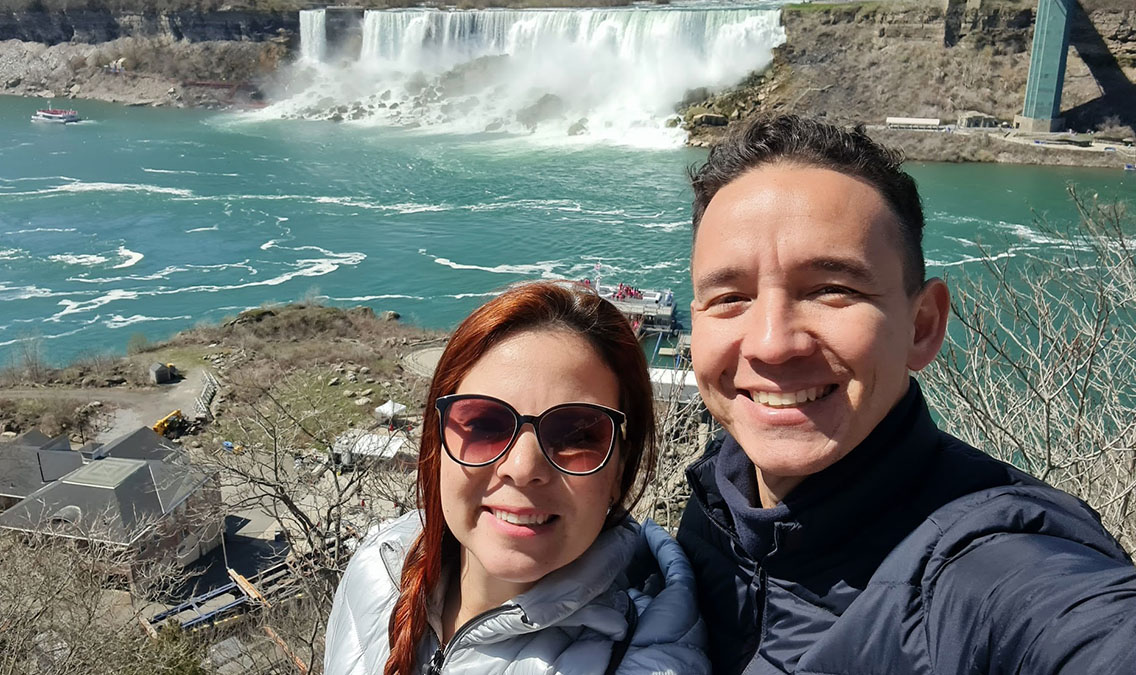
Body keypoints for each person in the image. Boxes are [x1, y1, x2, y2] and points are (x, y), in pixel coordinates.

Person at [678, 114, 1136, 674]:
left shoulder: (984, 565)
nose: (773, 345)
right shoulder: (719, 501)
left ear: (922, 326)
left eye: (831, 290)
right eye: (729, 297)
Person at [324, 280, 709, 675]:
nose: (523, 468)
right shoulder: (376, 569)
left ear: (619, 469)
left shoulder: (646, 659)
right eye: (484, 425)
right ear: (437, 443)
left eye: (576, 435)